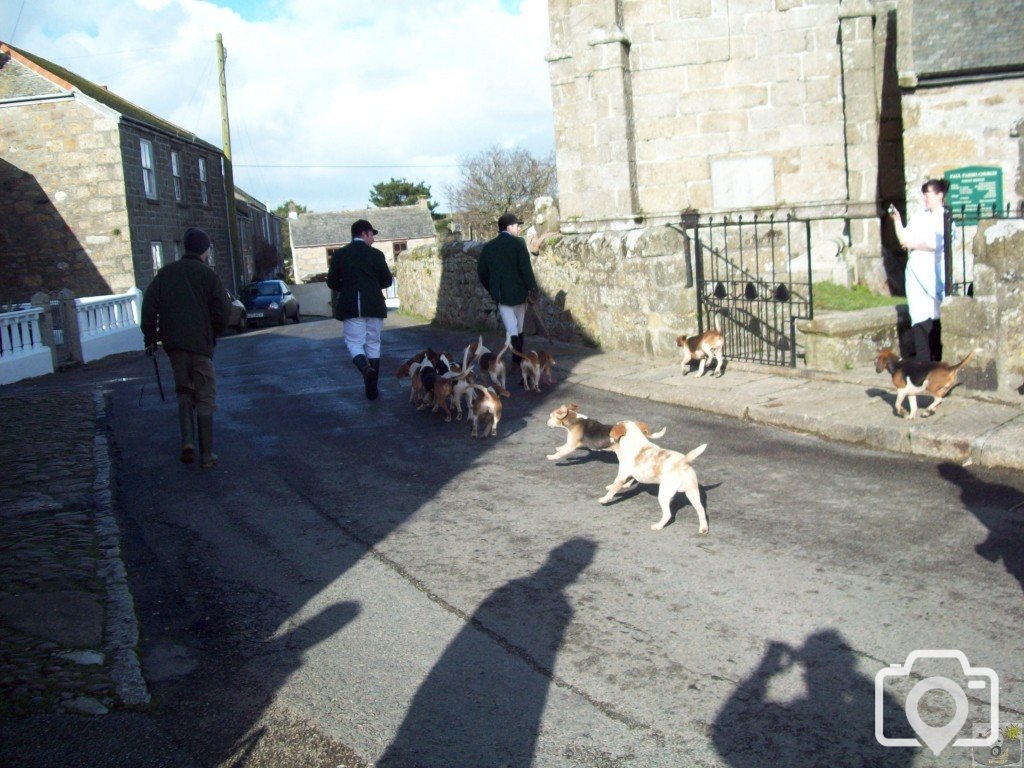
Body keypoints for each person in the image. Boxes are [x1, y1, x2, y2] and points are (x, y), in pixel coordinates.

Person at [141, 227, 231, 468]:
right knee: (205, 395)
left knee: (183, 392)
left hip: (175, 346)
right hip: (200, 346)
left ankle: (187, 442)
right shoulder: (208, 275)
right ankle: (207, 454)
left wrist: (150, 336)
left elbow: (149, 307)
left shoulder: (165, 273)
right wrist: (214, 332)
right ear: (204, 250)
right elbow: (224, 310)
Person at [327, 218, 394, 400]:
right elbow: (387, 281)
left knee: (354, 343)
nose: (373, 239)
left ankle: (366, 369)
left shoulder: (340, 255)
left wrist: (347, 287)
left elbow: (331, 282)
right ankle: (372, 390)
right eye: (372, 234)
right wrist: (371, 286)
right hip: (374, 304)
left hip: (351, 306)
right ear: (364, 233)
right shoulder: (376, 255)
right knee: (373, 343)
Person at [888, 179, 948, 362]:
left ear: (939, 195)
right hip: (915, 270)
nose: (925, 198)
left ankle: (936, 359)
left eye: (928, 193)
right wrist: (897, 221)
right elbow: (904, 239)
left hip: (932, 270)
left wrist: (913, 244)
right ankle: (923, 361)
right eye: (924, 194)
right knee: (918, 313)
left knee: (934, 311)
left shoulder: (944, 216)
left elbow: (935, 244)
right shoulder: (920, 216)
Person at [477, 212, 539, 373]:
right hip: (520, 294)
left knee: (512, 330)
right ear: (509, 226)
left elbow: (482, 272)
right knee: (519, 329)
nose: (519, 229)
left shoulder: (489, 247)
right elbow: (526, 268)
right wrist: (532, 288)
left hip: (502, 296)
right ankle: (518, 361)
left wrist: (492, 289)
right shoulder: (518, 243)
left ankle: (517, 361)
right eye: (517, 226)